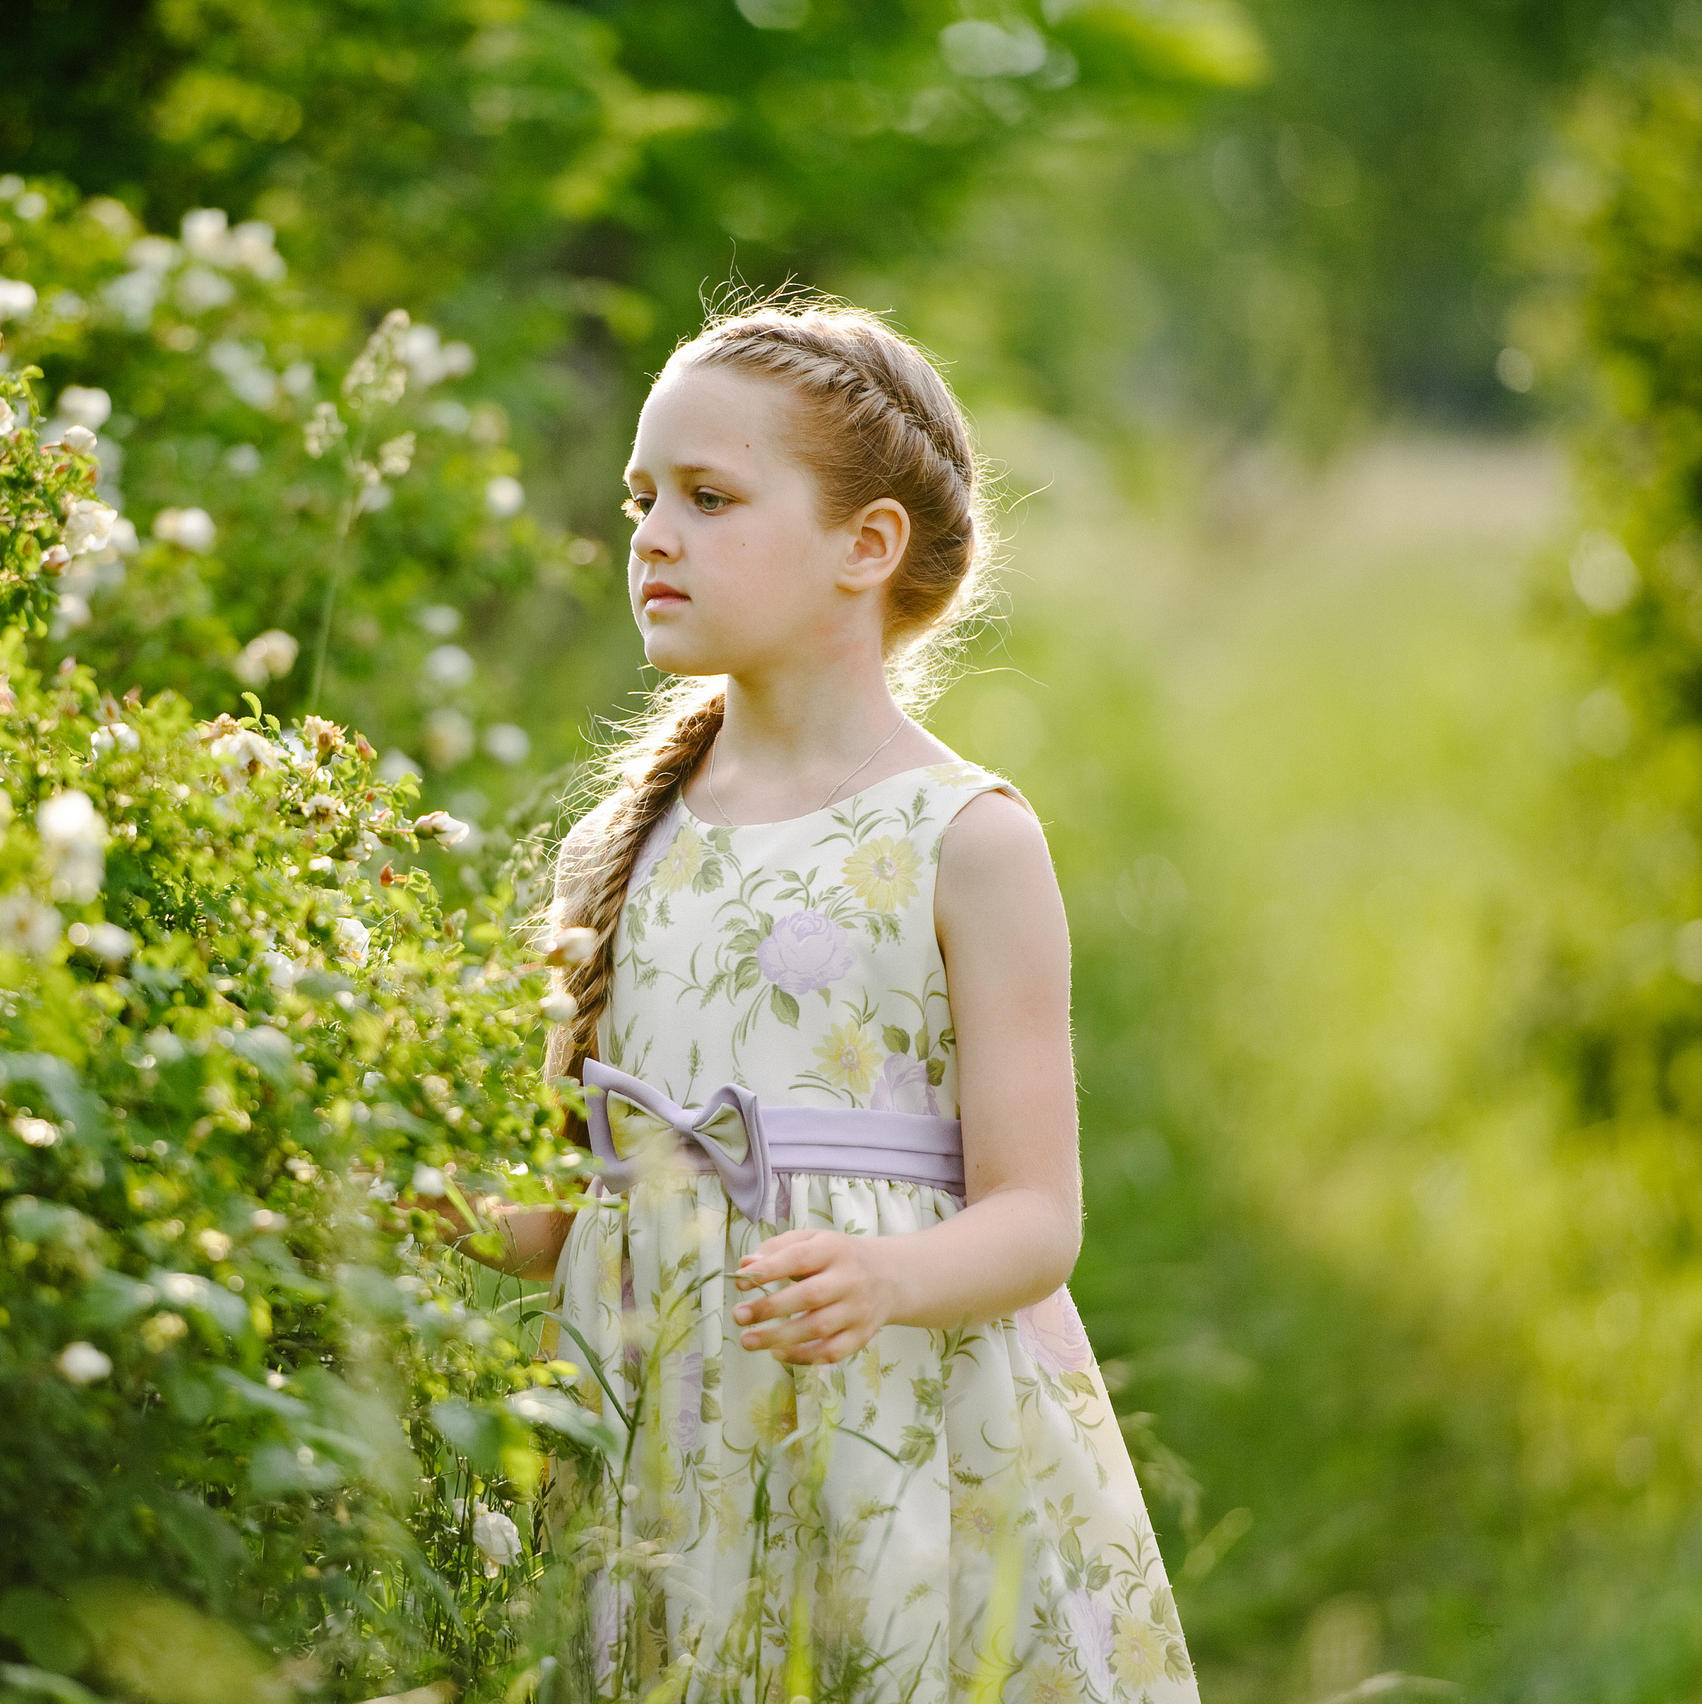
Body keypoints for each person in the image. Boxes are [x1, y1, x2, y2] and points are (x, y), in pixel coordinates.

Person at [450, 299, 1197, 1702]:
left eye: (711, 498)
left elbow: (1038, 1218)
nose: (654, 535)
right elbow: (576, 1220)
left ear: (868, 547)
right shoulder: (617, 846)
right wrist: (412, 1199)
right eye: (643, 498)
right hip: (655, 1463)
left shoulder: (964, 838)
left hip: (894, 1444)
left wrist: (884, 1278)